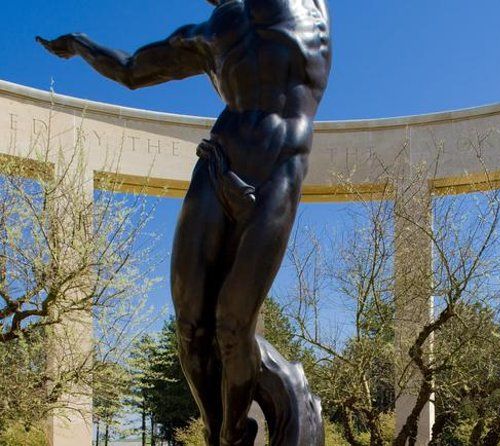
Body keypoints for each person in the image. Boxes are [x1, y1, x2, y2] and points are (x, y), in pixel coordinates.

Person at [38, 0, 331, 444]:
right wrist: (80, 44)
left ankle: (244, 424)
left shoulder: (302, 7)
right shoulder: (209, 33)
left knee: (233, 326)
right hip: (216, 166)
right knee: (191, 328)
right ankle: (223, 434)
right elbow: (133, 70)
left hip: (277, 173)